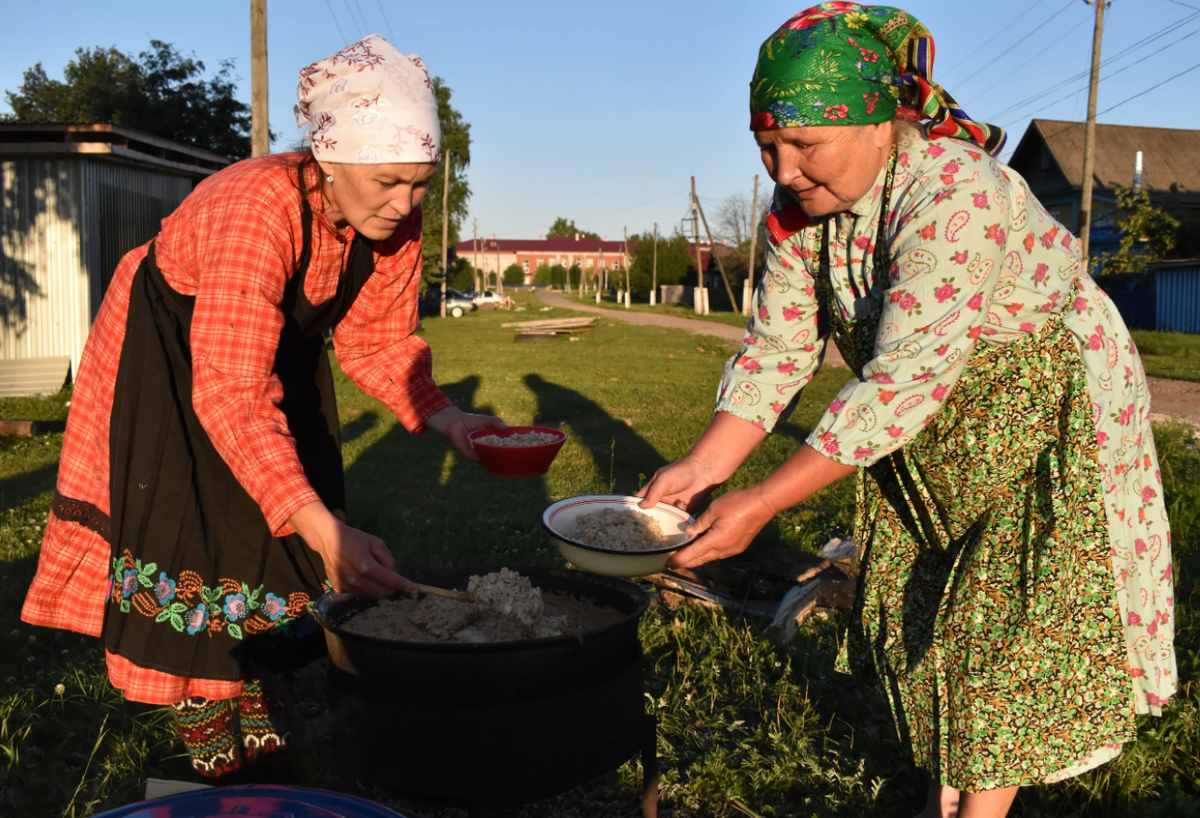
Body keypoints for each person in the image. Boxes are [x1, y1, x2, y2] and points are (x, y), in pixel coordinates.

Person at [638, 5, 1175, 817]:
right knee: (940, 616)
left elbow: (900, 380)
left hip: (1040, 408)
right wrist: (703, 469)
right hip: (931, 422)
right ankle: (945, 790)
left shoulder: (955, 191)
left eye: (805, 145)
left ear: (880, 125)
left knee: (1005, 623)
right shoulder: (798, 219)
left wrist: (760, 503)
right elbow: (779, 354)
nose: (783, 169)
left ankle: (975, 809)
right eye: (767, 147)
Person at [21, 35, 504, 782]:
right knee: (202, 535)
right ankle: (208, 735)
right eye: (387, 181)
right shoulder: (259, 207)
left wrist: (446, 417)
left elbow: (378, 343)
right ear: (331, 158)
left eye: (419, 183)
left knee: (272, 534)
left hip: (276, 351)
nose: (405, 204)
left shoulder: (393, 222)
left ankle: (257, 701)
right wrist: (326, 529)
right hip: (178, 355)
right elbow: (230, 392)